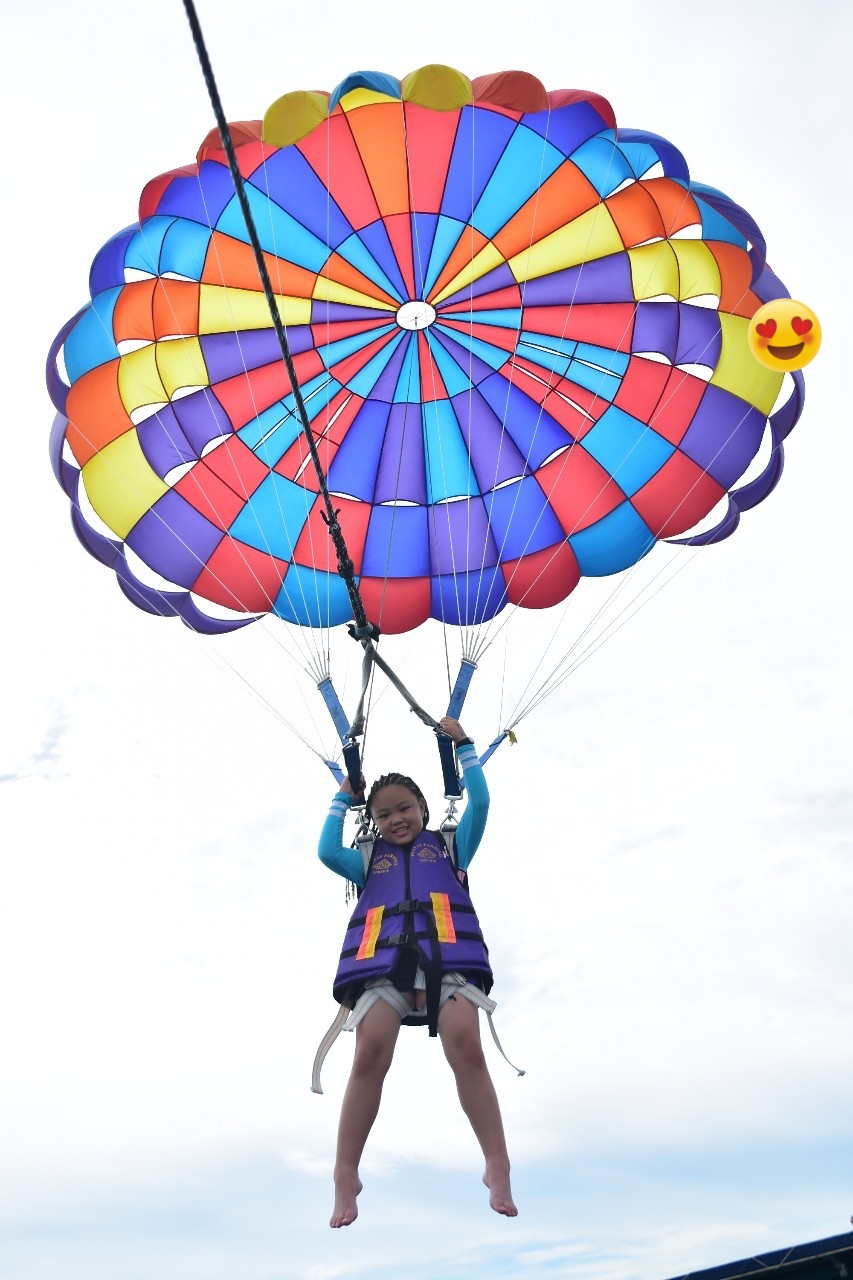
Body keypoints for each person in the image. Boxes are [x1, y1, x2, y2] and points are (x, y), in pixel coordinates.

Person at [318, 716, 517, 1228]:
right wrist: (344, 796)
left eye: (405, 809)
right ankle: (346, 1173)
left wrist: (466, 749)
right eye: (384, 815)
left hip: (449, 961)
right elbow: (325, 851)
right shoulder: (366, 859)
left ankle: (496, 1162)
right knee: (369, 1056)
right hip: (384, 966)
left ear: (424, 809)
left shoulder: (451, 845)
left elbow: (484, 804)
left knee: (466, 1049)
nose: (395, 820)